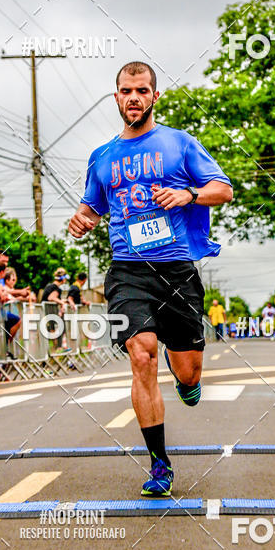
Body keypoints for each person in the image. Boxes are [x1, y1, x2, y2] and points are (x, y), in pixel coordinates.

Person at [69, 61, 232, 498]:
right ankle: (160, 463)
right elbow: (92, 207)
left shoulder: (179, 144)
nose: (134, 97)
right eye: (126, 91)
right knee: (141, 355)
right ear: (117, 97)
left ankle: (187, 383)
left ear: (154, 96)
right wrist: (81, 220)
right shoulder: (102, 157)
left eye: (142, 90)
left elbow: (224, 188)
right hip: (128, 271)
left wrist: (188, 194)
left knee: (189, 370)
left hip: (176, 268)